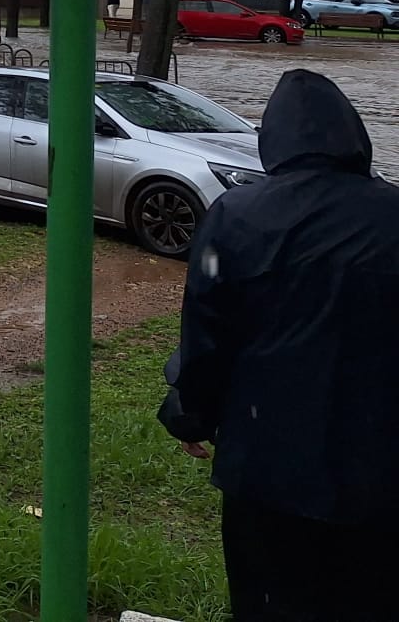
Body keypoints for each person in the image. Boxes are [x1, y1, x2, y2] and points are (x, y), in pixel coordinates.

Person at [159, 69, 399, 620]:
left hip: (267, 466)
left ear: (273, 139)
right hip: (382, 468)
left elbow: (208, 334)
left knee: (269, 600)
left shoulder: (237, 215)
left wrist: (190, 415)